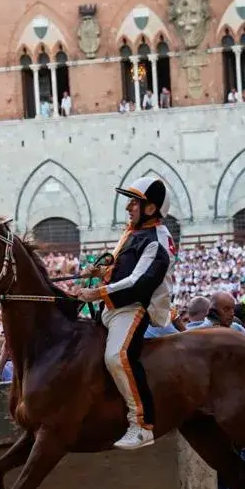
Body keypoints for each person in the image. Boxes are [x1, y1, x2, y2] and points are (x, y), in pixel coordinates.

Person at [75, 176, 172, 450]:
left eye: (134, 203)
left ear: (150, 209)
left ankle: (141, 425)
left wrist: (97, 292)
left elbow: (139, 281)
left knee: (117, 357)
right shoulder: (133, 232)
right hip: (112, 307)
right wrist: (101, 273)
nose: (128, 207)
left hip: (133, 308)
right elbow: (123, 270)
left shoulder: (156, 240)